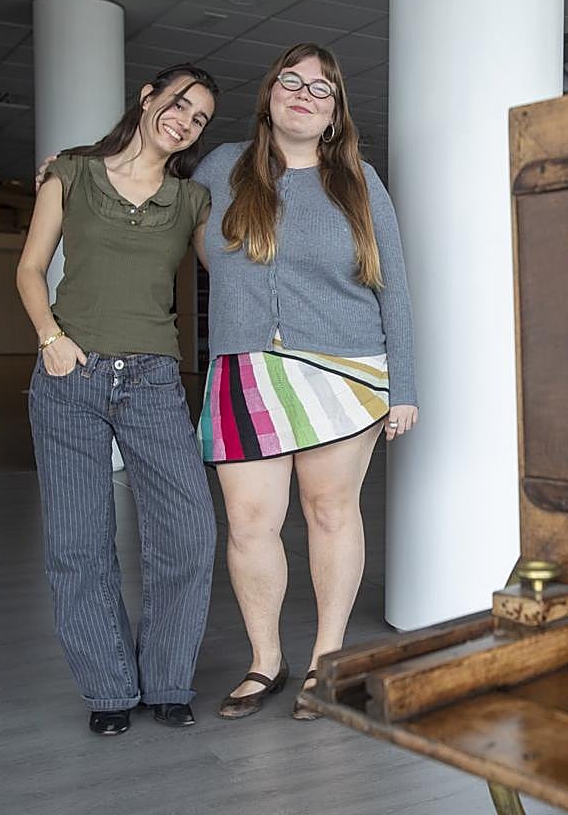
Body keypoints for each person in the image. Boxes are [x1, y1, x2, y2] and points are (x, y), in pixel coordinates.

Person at [192, 43, 417, 721]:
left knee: (328, 512)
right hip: (244, 366)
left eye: (321, 89)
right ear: (269, 95)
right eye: (291, 80)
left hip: (345, 370)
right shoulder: (219, 169)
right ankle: (266, 662)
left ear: (334, 113)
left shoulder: (357, 181)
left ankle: (326, 659)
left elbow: (394, 288)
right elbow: (148, 198)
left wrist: (402, 386)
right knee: (250, 521)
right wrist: (75, 176)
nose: (304, 93)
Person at [16, 65, 221, 736]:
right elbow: (30, 267)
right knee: (78, 543)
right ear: (146, 96)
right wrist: (50, 337)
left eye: (198, 119)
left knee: (188, 535)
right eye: (179, 103)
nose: (185, 121)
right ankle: (108, 688)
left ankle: (166, 679)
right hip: (70, 373)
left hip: (155, 380)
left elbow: (235, 268)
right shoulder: (70, 174)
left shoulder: (192, 202)